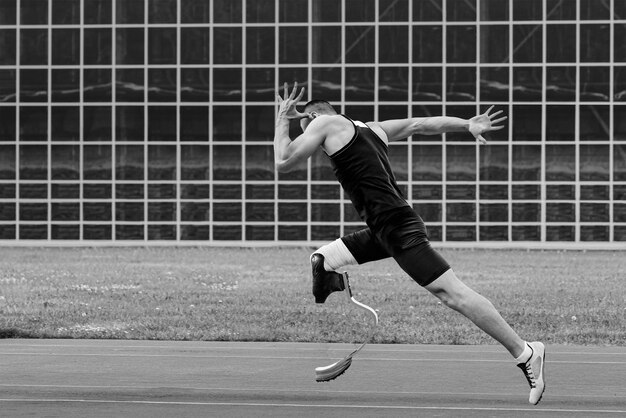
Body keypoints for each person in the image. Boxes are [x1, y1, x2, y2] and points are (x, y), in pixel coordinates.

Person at [273, 82, 546, 405]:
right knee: (322, 259)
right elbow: (421, 124)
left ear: (315, 115)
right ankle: (331, 283)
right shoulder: (372, 129)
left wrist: (282, 120)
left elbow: (284, 160)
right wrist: (466, 124)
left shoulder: (324, 122)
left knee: (452, 294)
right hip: (384, 229)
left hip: (397, 229)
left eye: (307, 129)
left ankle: (525, 351)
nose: (311, 140)